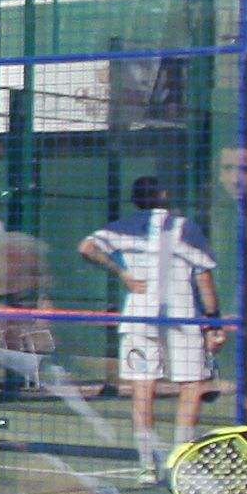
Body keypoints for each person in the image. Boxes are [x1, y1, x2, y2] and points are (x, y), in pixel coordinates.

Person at [81, 176, 221, 474]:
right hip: (183, 317)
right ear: (165, 194)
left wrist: (121, 273)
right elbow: (204, 276)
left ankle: (147, 464)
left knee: (143, 387)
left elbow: (86, 248)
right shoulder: (185, 227)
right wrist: (213, 319)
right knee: (191, 385)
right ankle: (182, 461)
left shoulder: (121, 227)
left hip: (139, 316)